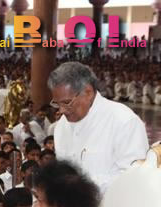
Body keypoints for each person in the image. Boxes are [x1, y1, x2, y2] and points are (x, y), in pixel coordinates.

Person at [49, 62, 148, 192]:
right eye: (57, 104)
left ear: (88, 92)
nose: (61, 110)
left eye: (67, 102)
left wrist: (81, 186)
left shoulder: (124, 121)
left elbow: (133, 179)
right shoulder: (62, 126)